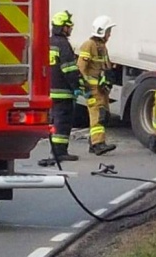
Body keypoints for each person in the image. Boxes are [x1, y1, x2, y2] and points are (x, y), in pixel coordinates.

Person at [40, 10, 80, 167]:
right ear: (62, 27)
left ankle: (56, 151)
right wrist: (77, 86)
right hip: (63, 92)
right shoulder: (63, 45)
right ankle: (60, 152)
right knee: (63, 122)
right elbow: (69, 69)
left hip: (49, 90)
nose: (70, 29)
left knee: (56, 121)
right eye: (68, 26)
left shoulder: (48, 42)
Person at [77, 15, 117, 156]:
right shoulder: (89, 45)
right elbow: (81, 67)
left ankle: (94, 143)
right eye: (108, 31)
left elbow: (104, 66)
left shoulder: (102, 47)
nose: (109, 35)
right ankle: (98, 143)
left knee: (104, 115)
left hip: (101, 89)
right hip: (93, 89)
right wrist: (84, 87)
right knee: (98, 115)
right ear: (101, 31)